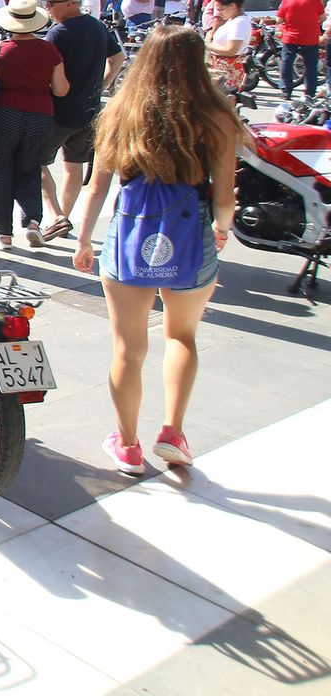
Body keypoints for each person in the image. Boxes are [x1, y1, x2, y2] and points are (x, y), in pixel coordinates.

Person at [72, 26, 247, 475]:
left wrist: (85, 239)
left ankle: (128, 445)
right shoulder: (217, 115)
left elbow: (97, 188)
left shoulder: (120, 111)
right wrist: (222, 229)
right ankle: (173, 432)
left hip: (129, 236)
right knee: (181, 336)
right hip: (193, 236)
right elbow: (224, 198)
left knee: (127, 349)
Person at [0, 0, 69, 250]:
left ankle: (2, 233)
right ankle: (33, 222)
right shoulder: (49, 50)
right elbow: (61, 89)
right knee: (30, 168)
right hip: (40, 115)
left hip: (4, 114)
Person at [38, 0, 124, 242]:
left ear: (70, 4)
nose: (48, 8)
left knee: (34, 163)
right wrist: (100, 87)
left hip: (59, 110)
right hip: (89, 110)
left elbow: (46, 70)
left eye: (52, 3)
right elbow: (118, 59)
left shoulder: (59, 33)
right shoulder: (98, 27)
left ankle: (56, 216)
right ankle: (63, 216)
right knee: (73, 165)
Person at [272, 0, 325, 101]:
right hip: (310, 37)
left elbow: (279, 19)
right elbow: (322, 17)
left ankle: (286, 91)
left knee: (286, 63)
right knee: (311, 66)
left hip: (291, 37)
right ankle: (309, 93)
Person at [204, 0, 252, 92]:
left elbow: (231, 50)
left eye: (221, 9)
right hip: (222, 68)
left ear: (232, 6)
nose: (219, 13)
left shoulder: (239, 23)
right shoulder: (232, 20)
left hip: (228, 70)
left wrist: (208, 45)